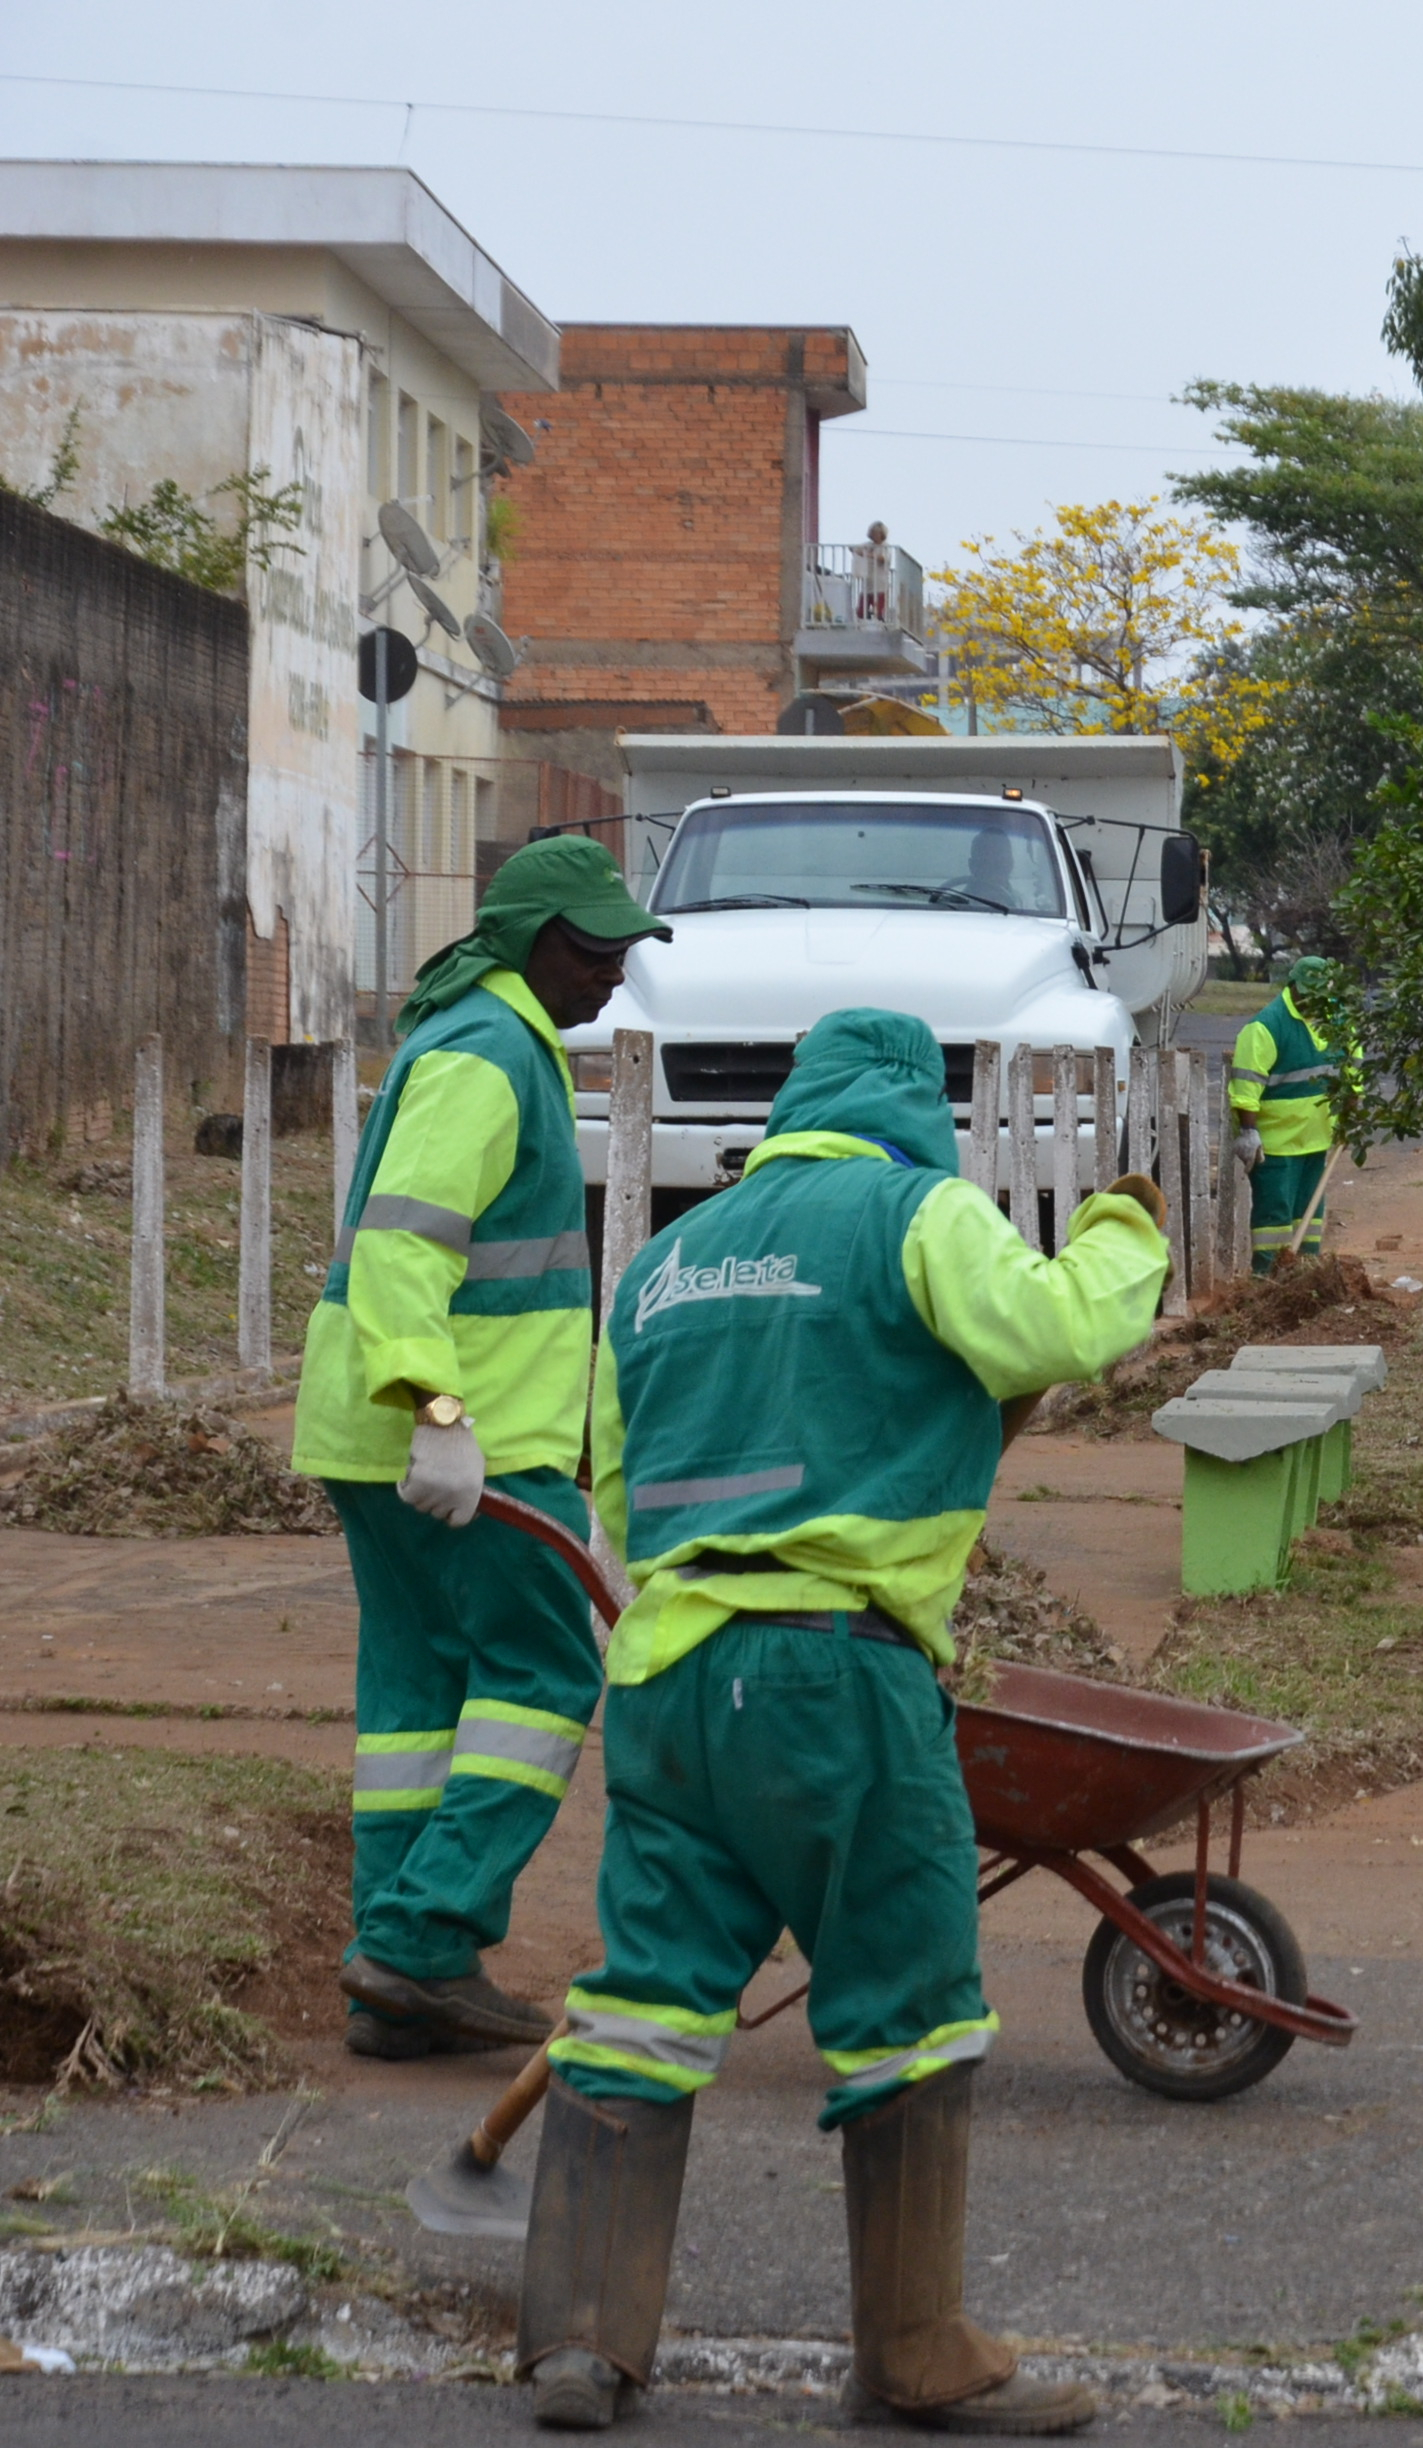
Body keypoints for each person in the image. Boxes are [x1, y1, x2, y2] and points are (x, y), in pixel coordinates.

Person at [521, 1007, 1166, 2434]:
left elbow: (617, 1497)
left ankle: (580, 2340)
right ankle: (915, 2351)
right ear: (915, 1121)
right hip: (839, 1679)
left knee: (646, 1996)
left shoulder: (664, 1266)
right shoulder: (912, 1215)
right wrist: (1125, 1233)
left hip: (672, 1680)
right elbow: (1057, 1326)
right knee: (909, 2006)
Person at [294, 836, 669, 2062]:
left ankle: (400, 1982)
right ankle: (418, 1940)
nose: (613, 971)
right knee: (547, 1680)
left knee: (414, 1706)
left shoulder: (484, 1039)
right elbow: (405, 1245)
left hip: (393, 1439)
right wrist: (440, 1411)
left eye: (622, 949)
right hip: (461, 1442)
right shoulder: (489, 1054)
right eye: (595, 948)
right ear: (532, 942)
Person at [1226, 954, 1349, 1271]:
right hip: (1275, 1145)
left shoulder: (1337, 1019)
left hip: (1317, 1138)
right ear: (1292, 985)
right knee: (1274, 1218)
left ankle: (1307, 1276)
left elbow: (1353, 1068)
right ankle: (1267, 1280)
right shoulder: (1266, 1027)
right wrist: (1248, 1132)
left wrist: (1353, 1114)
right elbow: (1246, 1088)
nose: (1310, 1000)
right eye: (1305, 992)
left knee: (1309, 1214)